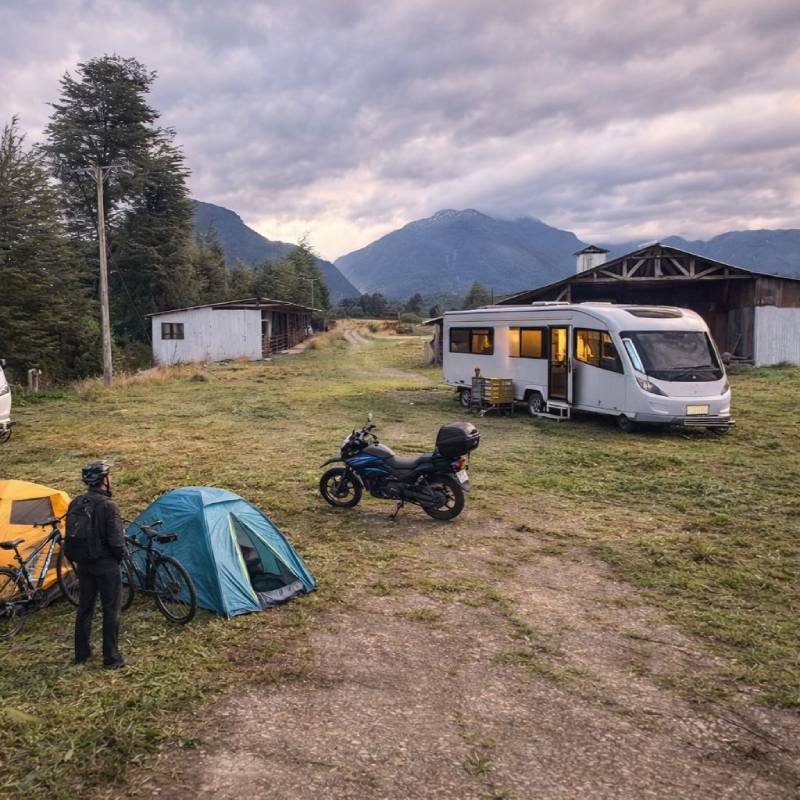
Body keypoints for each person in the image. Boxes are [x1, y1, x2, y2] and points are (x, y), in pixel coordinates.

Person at [66, 460, 126, 668]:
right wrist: (121, 557)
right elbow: (116, 541)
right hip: (106, 565)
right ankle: (111, 658)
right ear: (104, 480)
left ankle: (81, 654)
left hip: (84, 564)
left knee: (85, 608)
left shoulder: (75, 502)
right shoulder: (109, 506)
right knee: (111, 610)